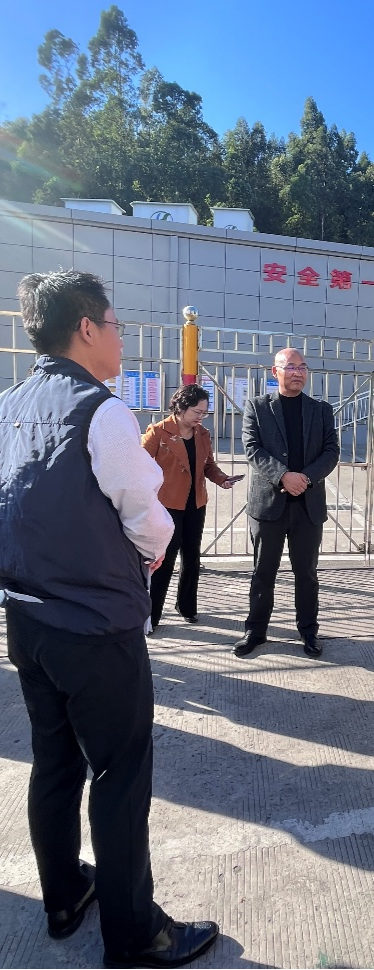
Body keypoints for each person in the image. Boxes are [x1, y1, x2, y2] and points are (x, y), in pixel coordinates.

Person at [0, 271, 219, 969]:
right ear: (87, 328)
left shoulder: (8, 404)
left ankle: (64, 896)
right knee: (121, 774)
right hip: (95, 626)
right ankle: (135, 935)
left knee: (54, 762)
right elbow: (148, 519)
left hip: (28, 620)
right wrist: (144, 562)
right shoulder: (102, 411)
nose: (122, 338)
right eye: (116, 325)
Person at [233, 347, 340, 659]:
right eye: (291, 367)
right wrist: (282, 476)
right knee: (263, 572)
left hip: (308, 505)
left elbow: (331, 451)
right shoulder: (257, 407)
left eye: (302, 367)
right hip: (269, 504)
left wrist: (305, 478)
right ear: (275, 371)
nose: (298, 372)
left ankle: (308, 631)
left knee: (306, 573)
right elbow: (252, 448)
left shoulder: (321, 410)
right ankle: (255, 630)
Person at [142, 383, 237, 632]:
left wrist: (222, 479)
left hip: (196, 503)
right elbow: (139, 465)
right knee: (164, 560)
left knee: (192, 557)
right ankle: (151, 615)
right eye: (197, 412)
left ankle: (186, 607)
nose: (200, 417)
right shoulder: (158, 432)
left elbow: (208, 466)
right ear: (181, 407)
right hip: (167, 505)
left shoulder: (202, 434)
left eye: (204, 413)